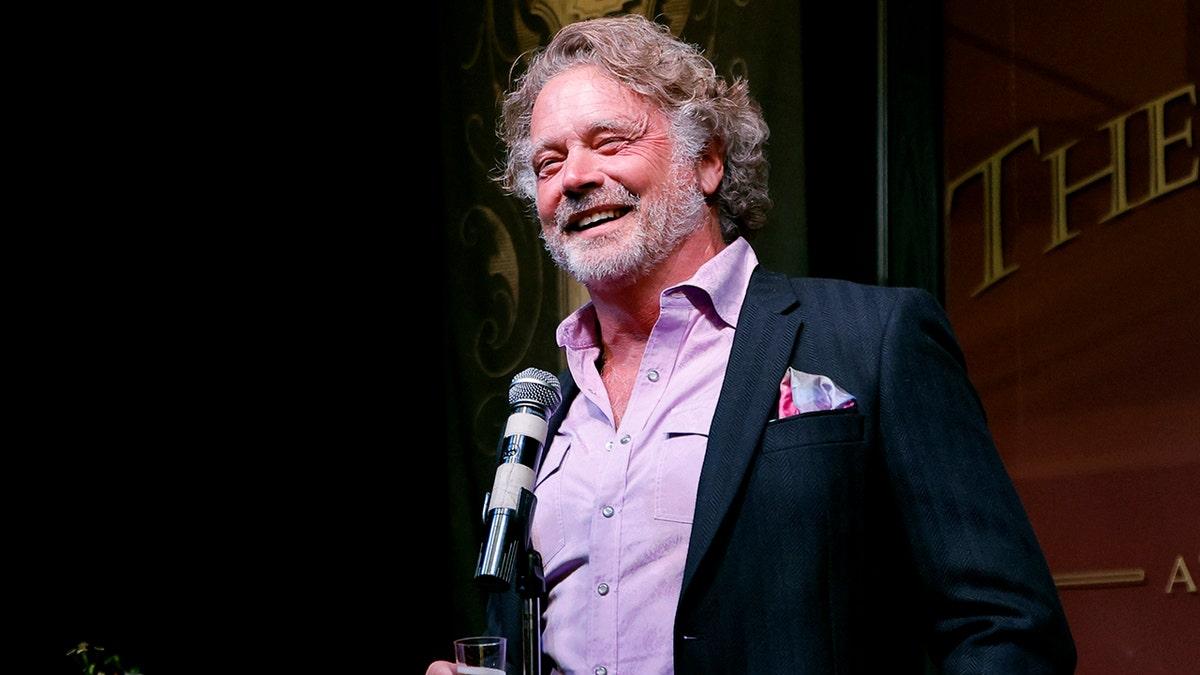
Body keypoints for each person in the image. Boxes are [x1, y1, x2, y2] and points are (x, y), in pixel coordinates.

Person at [429, 13, 1076, 675]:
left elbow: (1008, 632)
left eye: (609, 142)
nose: (575, 177)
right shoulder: (543, 419)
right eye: (549, 162)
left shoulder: (874, 340)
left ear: (707, 159)